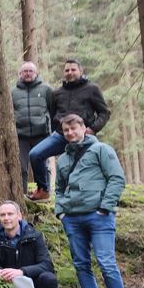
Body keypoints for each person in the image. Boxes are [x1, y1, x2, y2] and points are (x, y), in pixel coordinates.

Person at [55, 114, 128, 288]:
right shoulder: (63, 160)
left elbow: (117, 178)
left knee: (106, 263)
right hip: (73, 219)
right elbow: (59, 188)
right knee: (81, 264)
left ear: (84, 128)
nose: (70, 133)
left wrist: (105, 207)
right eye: (66, 130)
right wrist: (61, 212)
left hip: (99, 217)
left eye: (74, 129)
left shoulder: (101, 150)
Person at [28, 59, 110, 201]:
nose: (70, 73)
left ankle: (96, 194)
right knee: (35, 154)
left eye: (73, 70)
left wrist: (92, 129)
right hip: (61, 136)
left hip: (83, 137)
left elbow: (104, 112)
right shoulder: (57, 92)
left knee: (89, 164)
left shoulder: (92, 89)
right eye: (67, 70)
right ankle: (43, 190)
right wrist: (57, 129)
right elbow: (53, 114)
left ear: (81, 71)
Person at [11, 63, 53, 196]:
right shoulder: (13, 92)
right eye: (24, 71)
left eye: (30, 71)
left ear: (36, 73)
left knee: (41, 165)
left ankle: (45, 191)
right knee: (21, 167)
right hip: (20, 135)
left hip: (41, 134)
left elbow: (52, 110)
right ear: (20, 74)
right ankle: (21, 195)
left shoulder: (46, 89)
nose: (28, 73)